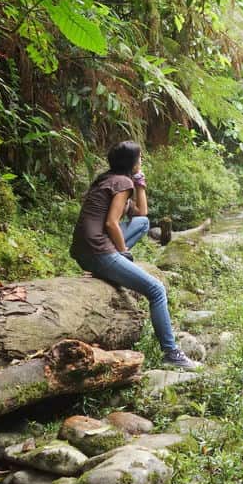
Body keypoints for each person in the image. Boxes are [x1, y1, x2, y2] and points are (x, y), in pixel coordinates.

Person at [71, 141, 200, 369]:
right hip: (98, 251)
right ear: (131, 162)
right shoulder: (121, 183)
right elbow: (112, 223)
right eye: (139, 158)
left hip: (84, 250)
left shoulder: (108, 179)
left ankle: (113, 265)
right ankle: (171, 353)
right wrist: (122, 252)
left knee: (142, 223)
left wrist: (140, 184)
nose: (142, 161)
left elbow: (142, 213)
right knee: (156, 290)